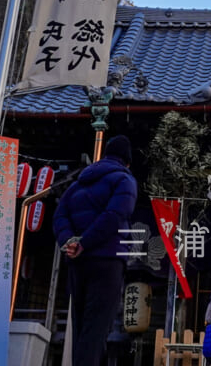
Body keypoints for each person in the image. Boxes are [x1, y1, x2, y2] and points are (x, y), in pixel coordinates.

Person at [52, 135, 138, 366]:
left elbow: (59, 216)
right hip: (107, 259)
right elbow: (115, 215)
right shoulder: (123, 180)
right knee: (97, 326)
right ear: (127, 160)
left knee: (80, 325)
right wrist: (85, 242)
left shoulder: (77, 185)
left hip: (78, 262)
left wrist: (70, 240)